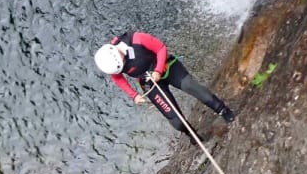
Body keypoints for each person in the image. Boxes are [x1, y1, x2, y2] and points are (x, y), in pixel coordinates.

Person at [94, 31, 235, 137]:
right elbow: (117, 78)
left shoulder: (137, 39)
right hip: (150, 83)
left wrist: (158, 70)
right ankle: (191, 134)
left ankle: (222, 109)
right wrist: (134, 95)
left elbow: (160, 48)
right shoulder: (113, 65)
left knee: (190, 86)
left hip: (167, 67)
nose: (124, 65)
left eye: (123, 61)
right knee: (175, 119)